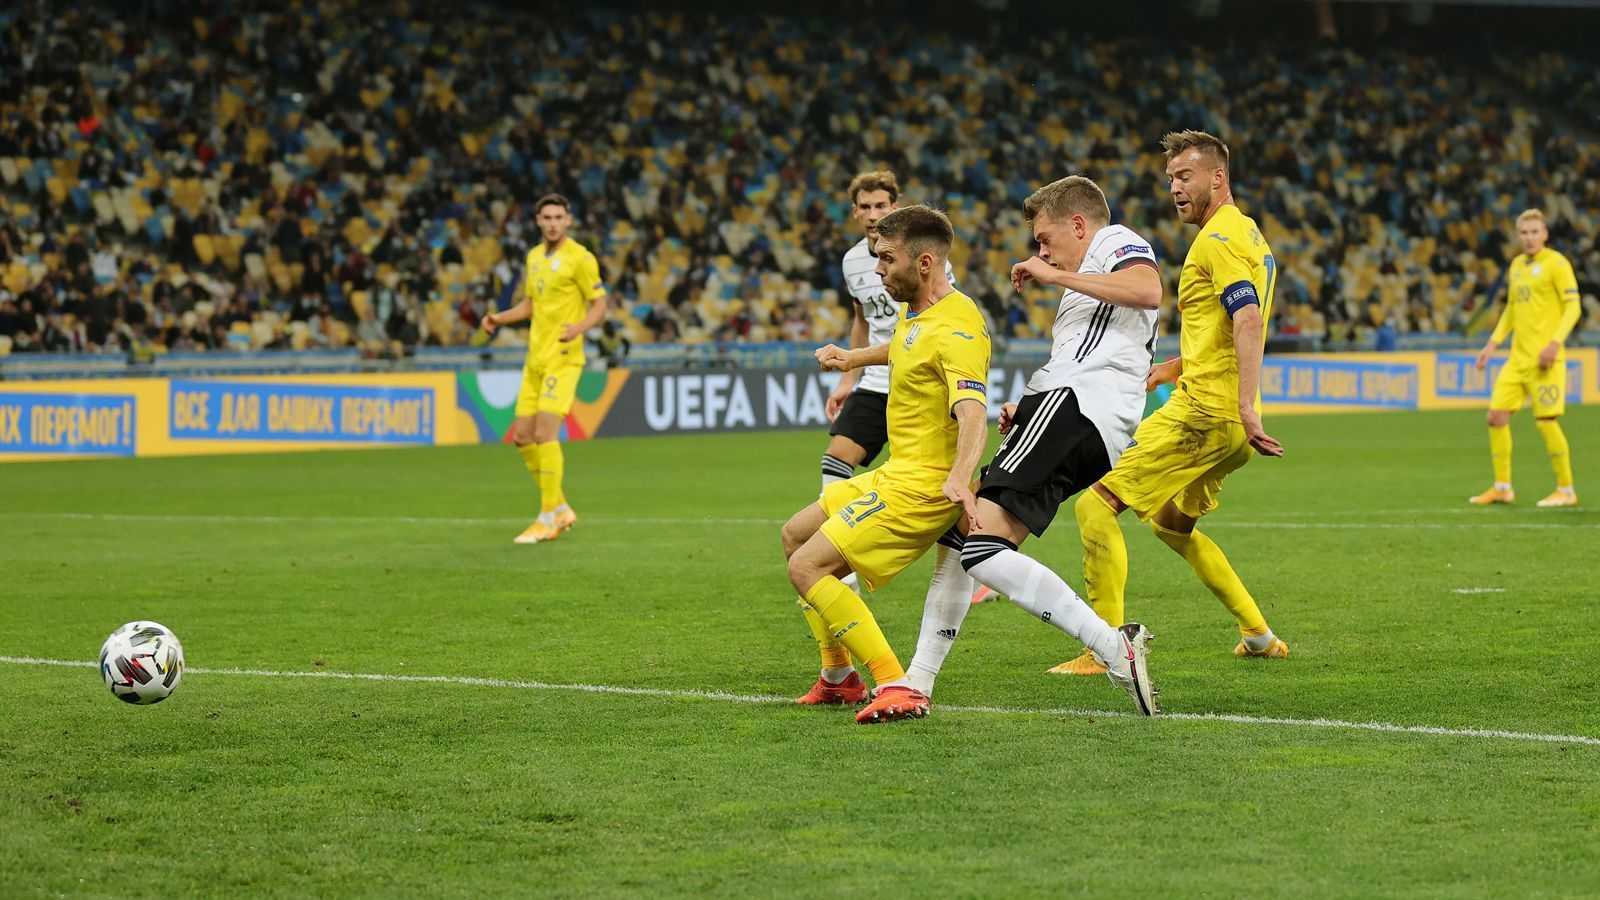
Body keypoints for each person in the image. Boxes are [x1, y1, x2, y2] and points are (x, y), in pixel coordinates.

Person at [898, 175, 1163, 715]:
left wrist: (1053, 271)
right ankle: (918, 681)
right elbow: (1081, 349)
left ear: (1079, 224)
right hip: (1079, 412)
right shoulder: (1080, 283)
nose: (1040, 252)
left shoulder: (1113, 241)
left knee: (979, 546)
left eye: (1046, 239)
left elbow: (1148, 290)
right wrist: (1029, 400)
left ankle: (1114, 646)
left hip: (1080, 405)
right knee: (965, 531)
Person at [1056, 130, 1289, 675]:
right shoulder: (1249, 235)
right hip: (1225, 422)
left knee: (1095, 505)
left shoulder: (1218, 240)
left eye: (1185, 177)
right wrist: (1176, 366)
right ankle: (1258, 635)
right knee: (1169, 525)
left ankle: (1106, 649)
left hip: (1208, 413)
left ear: (1218, 176)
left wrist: (1247, 405)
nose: (1175, 189)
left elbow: (1249, 318)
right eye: (1170, 180)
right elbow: (1230, 328)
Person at [780, 205, 988, 725]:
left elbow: (973, 412)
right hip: (896, 471)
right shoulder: (915, 311)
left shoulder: (959, 325)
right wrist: (852, 360)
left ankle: (895, 682)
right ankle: (838, 678)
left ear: (923, 263)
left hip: (922, 486)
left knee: (807, 567)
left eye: (886, 259)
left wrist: (959, 480)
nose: (877, 270)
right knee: (794, 535)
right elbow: (904, 347)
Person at [821, 170, 957, 597]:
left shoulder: (922, 257)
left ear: (895, 207)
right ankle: (840, 569)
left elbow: (940, 314)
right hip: (877, 379)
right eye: (866, 206)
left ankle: (975, 561)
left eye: (882, 205)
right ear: (855, 211)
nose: (874, 213)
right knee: (835, 459)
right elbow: (862, 321)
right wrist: (848, 379)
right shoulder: (851, 262)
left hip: (915, 378)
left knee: (933, 487)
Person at [482, 194, 608, 544]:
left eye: (558, 217)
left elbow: (600, 304)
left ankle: (548, 516)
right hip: (535, 359)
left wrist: (580, 327)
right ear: (538, 221)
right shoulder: (534, 257)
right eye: (546, 217)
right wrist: (500, 317)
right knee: (522, 437)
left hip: (564, 358)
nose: (552, 223)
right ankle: (560, 507)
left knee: (545, 434)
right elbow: (530, 304)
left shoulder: (581, 259)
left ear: (568, 220)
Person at [1468, 208, 1581, 508]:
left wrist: (1555, 344)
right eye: (1524, 233)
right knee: (1496, 417)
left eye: (1535, 232)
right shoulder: (1516, 266)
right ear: (1518, 237)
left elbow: (1573, 308)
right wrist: (1491, 345)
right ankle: (1503, 487)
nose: (1529, 238)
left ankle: (1566, 490)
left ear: (1545, 234)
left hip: (1546, 359)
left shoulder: (1557, 264)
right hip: (1518, 360)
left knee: (1545, 421)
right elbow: (1512, 311)